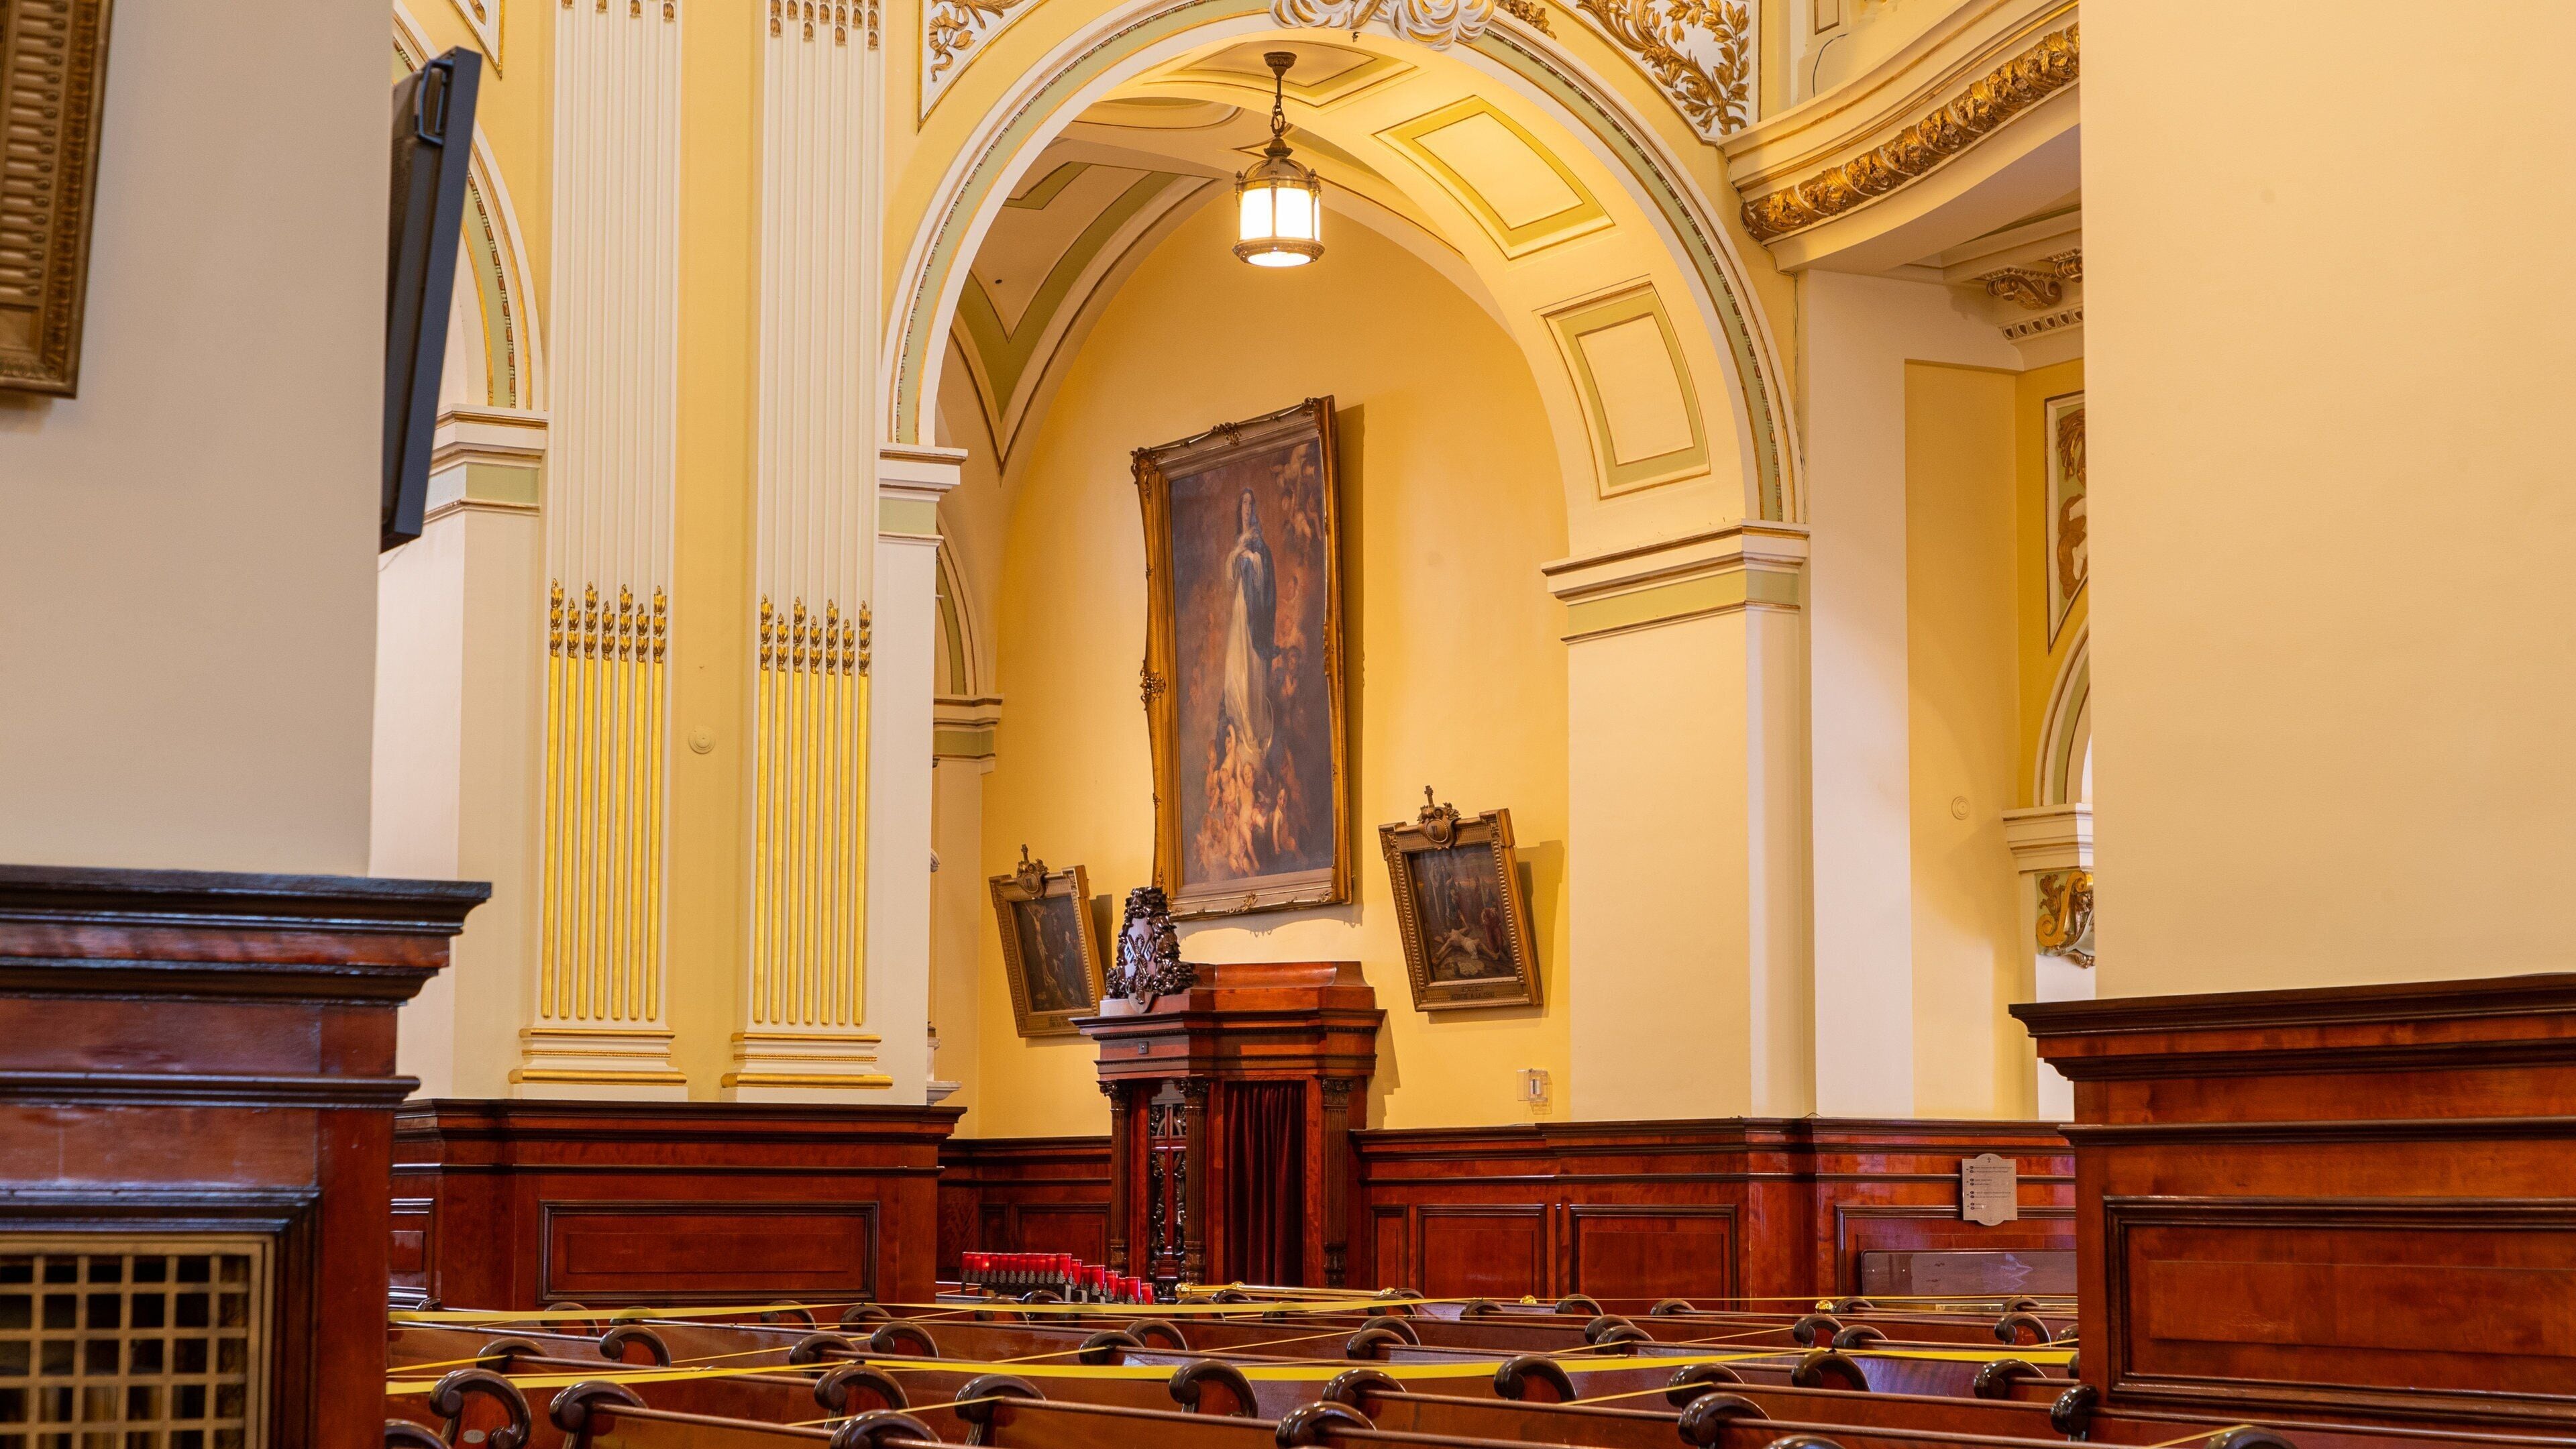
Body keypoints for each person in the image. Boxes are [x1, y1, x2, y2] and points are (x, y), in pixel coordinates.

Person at [1219, 488, 1277, 760]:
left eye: (1251, 504)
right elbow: (1230, 579)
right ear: (1239, 508)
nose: (1247, 508)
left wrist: (1254, 560)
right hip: (1240, 610)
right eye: (1243, 503)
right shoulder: (1240, 540)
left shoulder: (1258, 542)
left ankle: (1252, 733)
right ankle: (1241, 733)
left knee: (1251, 670)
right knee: (1235, 669)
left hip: (1254, 613)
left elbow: (1265, 578)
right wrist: (1238, 552)